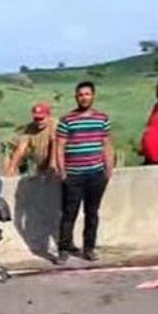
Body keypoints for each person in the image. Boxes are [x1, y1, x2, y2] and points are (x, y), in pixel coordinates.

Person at [56, 81, 114, 264]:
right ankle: (64, 249)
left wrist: (108, 169)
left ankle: (89, 249)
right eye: (80, 94)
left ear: (93, 96)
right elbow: (59, 146)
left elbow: (106, 145)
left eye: (87, 94)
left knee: (92, 213)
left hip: (96, 174)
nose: (84, 98)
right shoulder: (67, 120)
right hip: (73, 175)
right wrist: (62, 171)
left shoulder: (102, 119)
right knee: (69, 213)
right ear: (76, 97)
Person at [4, 103, 57, 176]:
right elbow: (21, 149)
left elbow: (55, 145)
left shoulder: (54, 125)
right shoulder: (30, 128)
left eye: (41, 119)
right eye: (36, 119)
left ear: (48, 116)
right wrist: (11, 168)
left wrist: (52, 165)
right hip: (40, 167)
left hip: (56, 165)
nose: (39, 122)